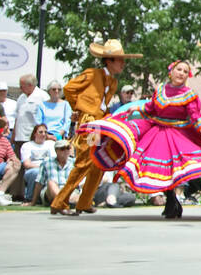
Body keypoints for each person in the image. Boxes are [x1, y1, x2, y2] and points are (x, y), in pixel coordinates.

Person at [85, 60, 201, 220]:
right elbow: (150, 108)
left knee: (175, 168)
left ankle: (172, 201)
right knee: (158, 168)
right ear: (171, 71)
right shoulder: (160, 90)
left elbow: (194, 115)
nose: (181, 73)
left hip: (179, 133)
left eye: (185, 71)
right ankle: (171, 200)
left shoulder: (189, 94)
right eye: (179, 69)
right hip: (157, 132)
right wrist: (134, 111)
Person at [50, 39, 141, 216]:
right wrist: (79, 109)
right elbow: (69, 88)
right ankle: (60, 202)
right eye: (119, 59)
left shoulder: (113, 82)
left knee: (99, 163)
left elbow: (101, 104)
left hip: (99, 124)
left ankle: (84, 202)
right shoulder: (92, 74)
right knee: (84, 161)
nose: (123, 63)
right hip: (89, 124)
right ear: (109, 60)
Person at [19, 124, 55, 204]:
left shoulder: (51, 144)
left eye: (45, 132)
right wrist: (42, 167)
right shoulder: (27, 145)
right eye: (40, 132)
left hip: (48, 169)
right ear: (35, 134)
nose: (43, 134)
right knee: (36, 172)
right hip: (32, 170)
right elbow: (27, 164)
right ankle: (30, 198)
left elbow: (53, 160)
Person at [11, 74, 45, 156]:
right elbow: (17, 117)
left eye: (22, 86)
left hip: (32, 137)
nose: (20, 88)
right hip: (19, 138)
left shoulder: (42, 96)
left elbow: (45, 119)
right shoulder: (21, 97)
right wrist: (13, 135)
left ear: (30, 85)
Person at [40, 139, 76, 209]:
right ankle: (62, 202)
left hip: (69, 190)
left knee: (76, 194)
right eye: (62, 149)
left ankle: (64, 202)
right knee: (51, 182)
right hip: (51, 192)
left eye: (68, 148)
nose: (66, 151)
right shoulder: (47, 162)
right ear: (56, 150)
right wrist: (33, 201)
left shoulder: (74, 163)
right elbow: (39, 182)